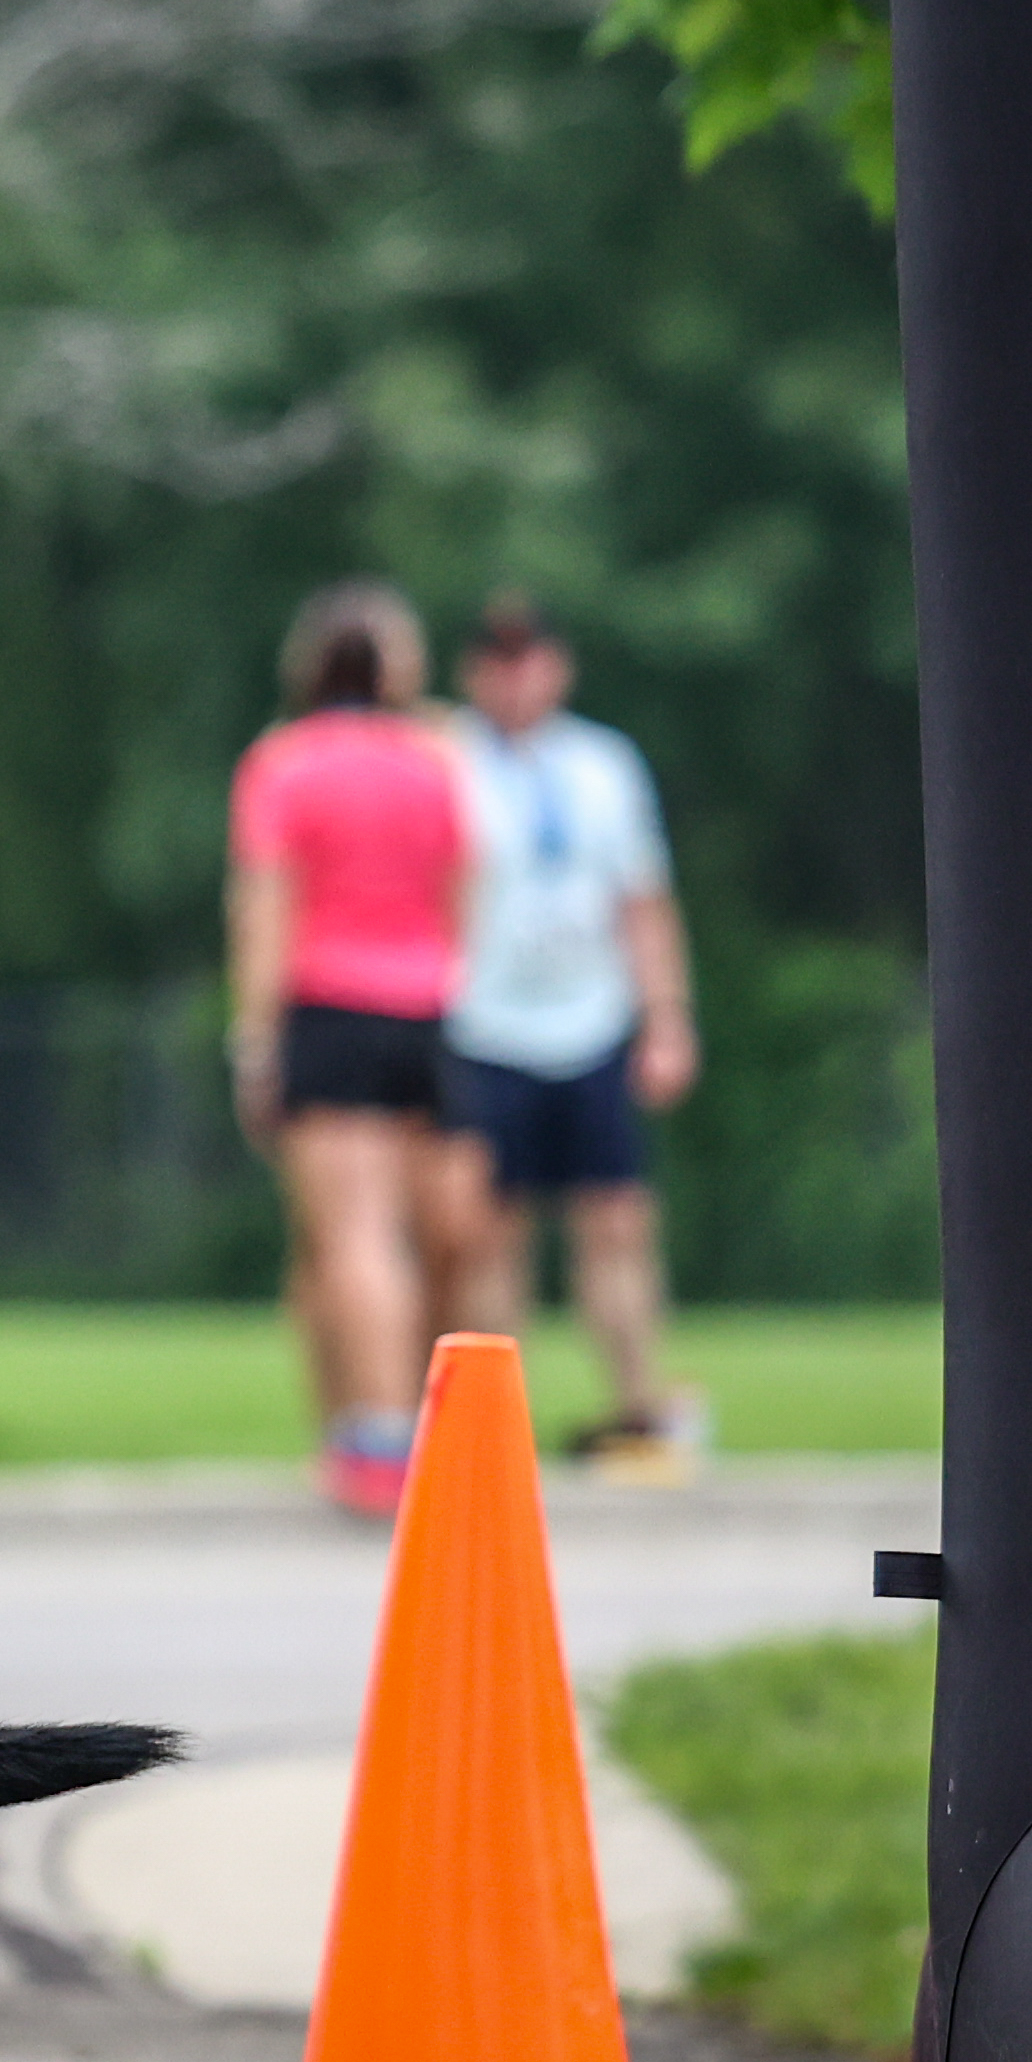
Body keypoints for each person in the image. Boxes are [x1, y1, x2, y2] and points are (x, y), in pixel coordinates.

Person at [432, 594, 704, 1471]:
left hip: (588, 1018)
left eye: (531, 658)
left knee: (616, 1218)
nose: (516, 679)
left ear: (559, 666)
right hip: (483, 1020)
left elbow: (642, 900)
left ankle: (637, 1404)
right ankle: (489, 1426)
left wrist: (665, 1018)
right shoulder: (448, 761)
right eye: (498, 661)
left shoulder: (602, 765)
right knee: (490, 1228)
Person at [228, 577, 467, 1516]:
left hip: (329, 1005)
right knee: (412, 1235)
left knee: (355, 1236)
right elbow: (465, 885)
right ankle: (377, 1427)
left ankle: (379, 1435)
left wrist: (254, 1040)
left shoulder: (285, 764)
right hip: (427, 1007)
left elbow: (265, 906)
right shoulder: (437, 760)